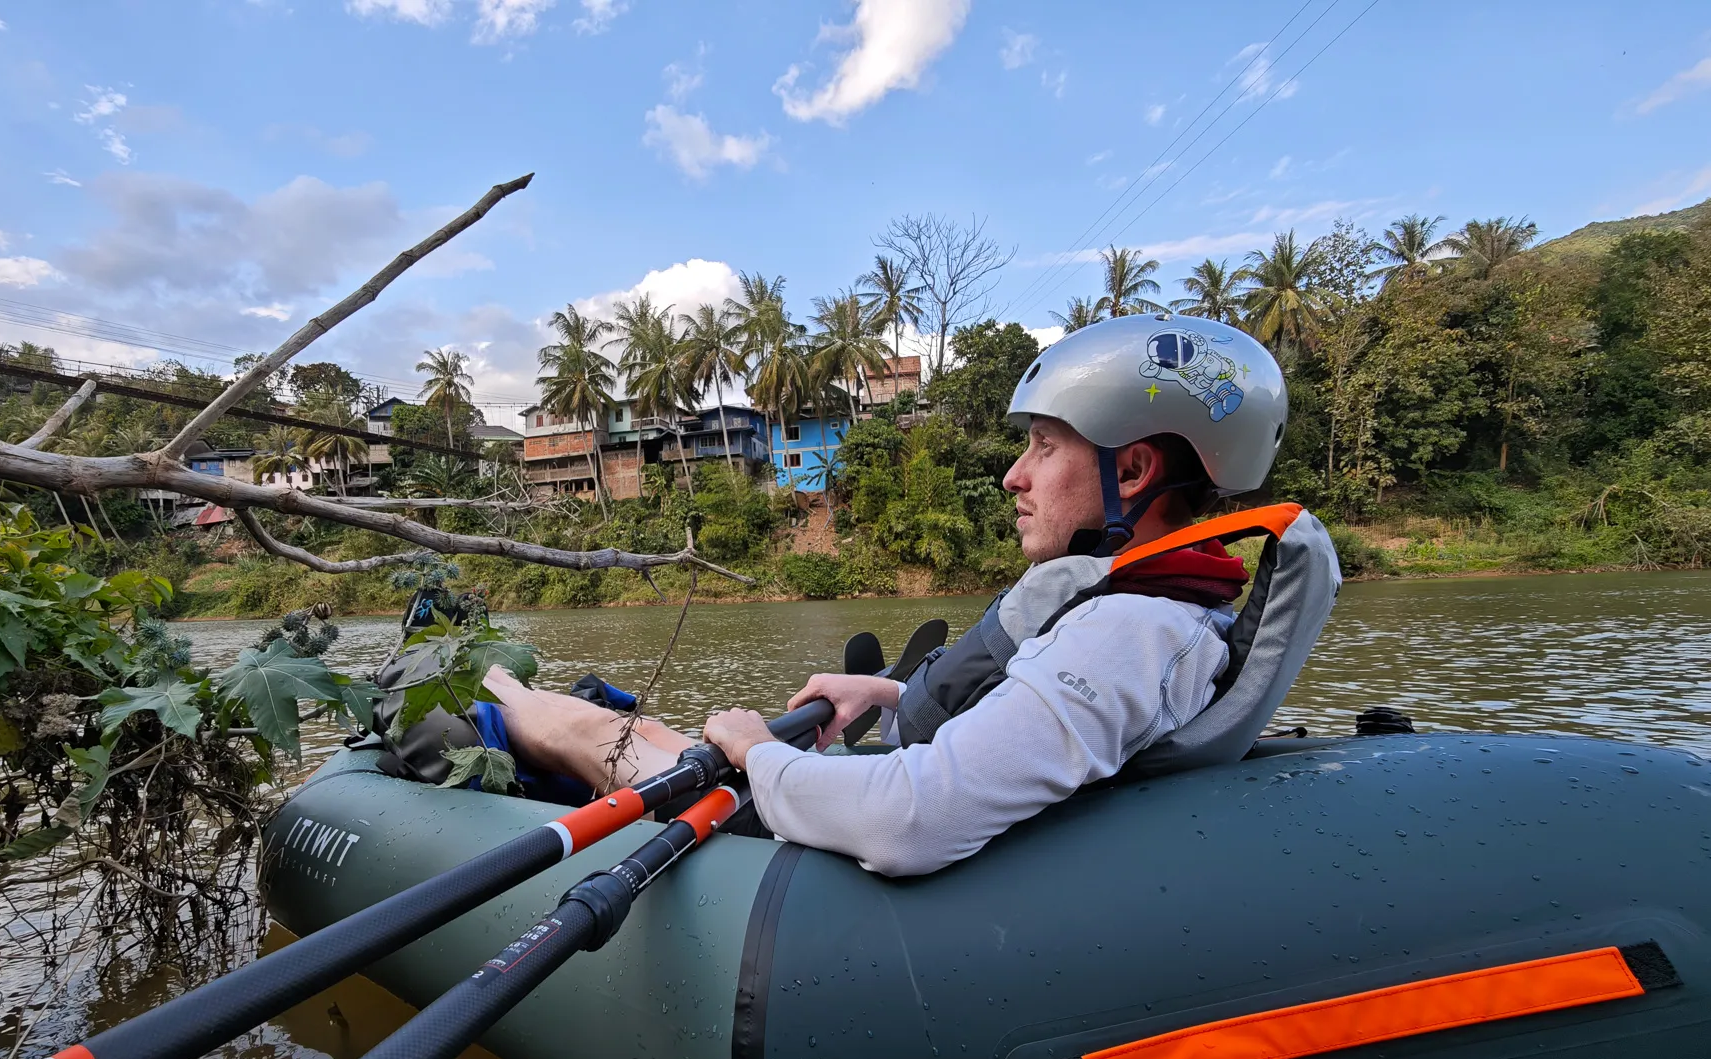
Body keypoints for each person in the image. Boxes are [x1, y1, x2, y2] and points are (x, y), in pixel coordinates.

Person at [481, 314, 1289, 876]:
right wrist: (892, 693)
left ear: (1135, 471)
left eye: (1044, 447)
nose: (1013, 474)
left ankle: (493, 686)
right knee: (656, 729)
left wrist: (758, 751)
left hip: (831, 858)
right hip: (905, 824)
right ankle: (505, 685)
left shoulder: (1129, 633)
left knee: (602, 732)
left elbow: (912, 821)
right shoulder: (1174, 614)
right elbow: (1035, 737)